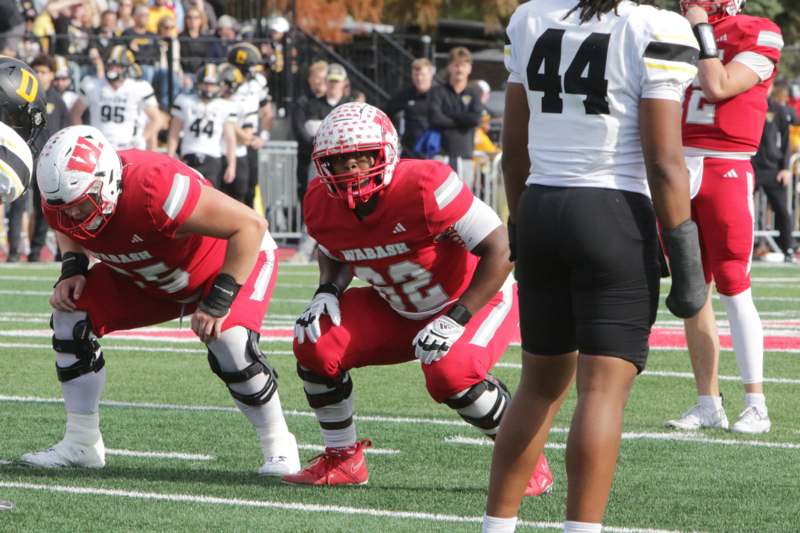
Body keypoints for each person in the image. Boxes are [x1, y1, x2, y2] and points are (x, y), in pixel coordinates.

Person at [483, 0, 705, 531]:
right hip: (611, 212)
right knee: (601, 389)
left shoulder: (530, 16)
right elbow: (664, 161)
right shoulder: (656, 26)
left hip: (538, 205)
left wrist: (521, 227)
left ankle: (497, 526)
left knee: (538, 384)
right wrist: (687, 256)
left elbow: (515, 150)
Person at [281, 102, 553, 497]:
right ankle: (343, 459)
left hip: (471, 298)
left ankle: (525, 457)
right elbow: (334, 248)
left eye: (361, 159)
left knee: (449, 373)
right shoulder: (321, 202)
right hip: (397, 306)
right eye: (339, 163)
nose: (351, 170)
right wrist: (328, 289)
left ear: (386, 153)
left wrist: (458, 316)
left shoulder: (425, 186)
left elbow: (501, 247)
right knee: (315, 339)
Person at [20, 124, 300, 476]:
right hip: (151, 275)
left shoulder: (155, 187)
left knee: (230, 341)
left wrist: (219, 300)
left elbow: (250, 226)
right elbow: (64, 224)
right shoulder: (63, 199)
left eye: (83, 205)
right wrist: (73, 267)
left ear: (107, 181)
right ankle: (81, 443)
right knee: (69, 318)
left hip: (224, 264)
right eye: (67, 208)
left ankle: (279, 445)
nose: (75, 216)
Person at [665, 0, 783, 435]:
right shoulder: (669, 27)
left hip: (725, 163)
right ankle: (707, 402)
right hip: (676, 165)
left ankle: (756, 404)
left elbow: (717, 85)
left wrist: (699, 30)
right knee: (693, 289)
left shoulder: (758, 29)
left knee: (734, 283)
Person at [6, 54, 69, 263]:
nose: (41, 75)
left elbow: (65, 131)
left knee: (48, 208)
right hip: (20, 157)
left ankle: (37, 250)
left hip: (45, 160)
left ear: (52, 75)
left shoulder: (58, 101)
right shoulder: (18, 95)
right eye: (37, 71)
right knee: (16, 206)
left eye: (44, 71)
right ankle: (14, 250)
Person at [70, 45, 160, 151]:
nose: (113, 69)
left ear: (126, 68)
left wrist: (141, 139)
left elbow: (156, 119)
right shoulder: (92, 85)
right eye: (110, 65)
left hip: (129, 147)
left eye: (118, 66)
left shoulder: (138, 88)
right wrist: (84, 137)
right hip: (100, 148)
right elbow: (75, 113)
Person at [167, 63, 237, 189]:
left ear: (219, 86)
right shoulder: (185, 101)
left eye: (212, 85)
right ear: (198, 84)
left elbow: (230, 138)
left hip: (213, 159)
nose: (208, 88)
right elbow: (174, 133)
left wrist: (232, 165)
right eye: (205, 84)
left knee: (210, 200)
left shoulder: (225, 106)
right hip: (188, 156)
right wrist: (170, 157)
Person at [752, 81, 797, 263]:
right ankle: (746, 247)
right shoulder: (748, 104)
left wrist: (786, 168)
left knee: (782, 210)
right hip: (750, 166)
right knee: (742, 209)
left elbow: (786, 142)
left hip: (773, 169)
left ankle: (787, 249)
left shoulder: (778, 109)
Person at [428, 47, 482, 187]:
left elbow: (475, 119)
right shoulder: (438, 91)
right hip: (441, 155)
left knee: (464, 199)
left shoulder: (474, 92)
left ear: (469, 68)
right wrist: (463, 120)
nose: (460, 69)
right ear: (449, 67)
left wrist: (450, 114)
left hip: (465, 155)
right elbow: (435, 118)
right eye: (456, 65)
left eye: (463, 65)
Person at [228, 42, 271, 209]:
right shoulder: (226, 80)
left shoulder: (258, 82)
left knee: (249, 189)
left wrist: (264, 136)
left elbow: (266, 111)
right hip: (227, 142)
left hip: (249, 139)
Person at [384, 58, 436, 158]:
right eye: (416, 75)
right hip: (409, 150)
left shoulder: (439, 94)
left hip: (432, 151)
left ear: (430, 75)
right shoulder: (405, 95)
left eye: (423, 75)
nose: (419, 78)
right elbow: (387, 112)